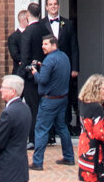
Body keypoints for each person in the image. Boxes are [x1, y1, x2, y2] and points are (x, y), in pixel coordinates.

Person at [31, 30, 74, 169]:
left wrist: (35, 72)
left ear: (53, 45)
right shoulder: (64, 57)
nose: (43, 46)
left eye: (45, 44)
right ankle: (69, 157)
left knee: (41, 129)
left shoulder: (49, 60)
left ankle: (37, 162)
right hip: (62, 99)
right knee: (62, 128)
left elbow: (42, 80)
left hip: (49, 101)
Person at [43, 0, 80, 135]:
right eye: (50, 4)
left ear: (58, 6)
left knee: (67, 95)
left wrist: (75, 67)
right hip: (49, 67)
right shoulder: (42, 24)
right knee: (50, 95)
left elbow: (74, 47)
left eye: (55, 4)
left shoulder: (68, 24)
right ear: (46, 7)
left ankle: (66, 125)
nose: (53, 6)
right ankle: (51, 130)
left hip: (66, 66)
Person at [17, 8, 45, 133]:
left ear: (28, 14)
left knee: (33, 108)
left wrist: (20, 76)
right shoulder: (45, 28)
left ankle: (33, 139)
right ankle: (47, 135)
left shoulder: (28, 32)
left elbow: (25, 56)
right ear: (39, 14)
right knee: (42, 107)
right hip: (44, 73)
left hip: (30, 77)